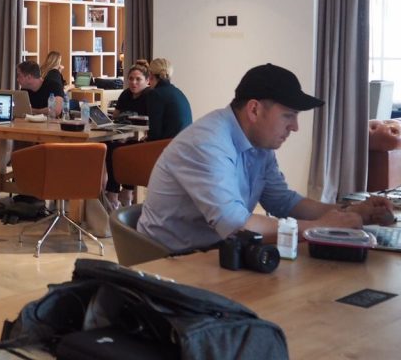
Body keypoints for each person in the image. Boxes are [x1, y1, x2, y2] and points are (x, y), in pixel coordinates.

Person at [138, 63, 395, 254]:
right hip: (168, 263)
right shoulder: (207, 143)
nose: (295, 127)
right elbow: (235, 224)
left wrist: (345, 212)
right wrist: (319, 227)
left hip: (216, 252)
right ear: (254, 109)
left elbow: (282, 201)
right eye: (288, 116)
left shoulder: (259, 143)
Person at [103, 59, 151, 210]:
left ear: (147, 80)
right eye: (131, 79)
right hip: (122, 135)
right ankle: (114, 192)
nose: (134, 83)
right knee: (109, 146)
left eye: (138, 79)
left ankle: (124, 192)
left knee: (124, 150)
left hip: (143, 140)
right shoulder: (125, 94)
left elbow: (152, 122)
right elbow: (116, 116)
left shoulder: (150, 96)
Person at [144, 58, 192, 141]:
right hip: (184, 144)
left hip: (167, 147)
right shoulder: (177, 92)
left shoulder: (155, 94)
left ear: (150, 75)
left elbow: (155, 133)